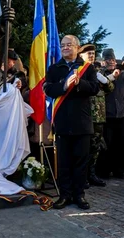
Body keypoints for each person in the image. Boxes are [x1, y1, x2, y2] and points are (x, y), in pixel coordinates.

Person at [44, 35, 99, 210]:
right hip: (62, 122)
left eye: (69, 45)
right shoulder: (54, 68)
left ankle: (79, 195)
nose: (65, 48)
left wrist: (79, 83)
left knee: (81, 162)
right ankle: (64, 195)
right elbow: (48, 89)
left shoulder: (87, 68)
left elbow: (95, 88)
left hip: (82, 123)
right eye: (63, 45)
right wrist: (64, 85)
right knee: (64, 162)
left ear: (77, 47)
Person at [78, 43, 114, 188]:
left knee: (96, 147)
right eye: (89, 54)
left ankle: (92, 174)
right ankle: (83, 176)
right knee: (83, 148)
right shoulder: (80, 71)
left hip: (98, 115)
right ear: (81, 55)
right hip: (84, 116)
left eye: (93, 53)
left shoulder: (98, 71)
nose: (92, 56)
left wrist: (104, 80)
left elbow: (110, 88)